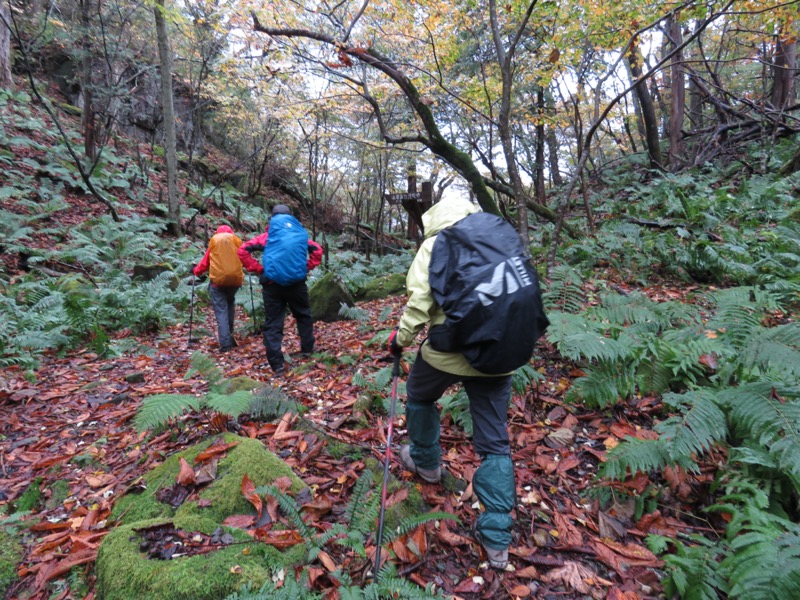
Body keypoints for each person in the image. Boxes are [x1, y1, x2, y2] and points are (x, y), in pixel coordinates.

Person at [387, 196, 516, 570]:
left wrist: (400, 339)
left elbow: (419, 304)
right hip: (498, 353)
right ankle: (497, 542)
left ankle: (426, 463)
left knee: (419, 395)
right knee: (495, 442)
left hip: (449, 349)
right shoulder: (499, 239)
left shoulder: (435, 244)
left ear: (434, 219)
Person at [238, 204, 323, 374]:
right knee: (303, 315)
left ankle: (276, 364)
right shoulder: (299, 235)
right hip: (297, 284)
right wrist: (305, 267)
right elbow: (317, 250)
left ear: (272, 218)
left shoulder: (267, 237)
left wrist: (258, 269)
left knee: (273, 323)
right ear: (290, 216)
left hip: (272, 284)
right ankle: (307, 349)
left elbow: (243, 250)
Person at [193, 224, 244, 352]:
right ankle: (230, 335)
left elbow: (205, 262)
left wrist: (195, 271)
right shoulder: (236, 241)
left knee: (221, 310)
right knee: (230, 304)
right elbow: (244, 257)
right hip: (235, 282)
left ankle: (225, 344)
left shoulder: (215, 242)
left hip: (218, 282)